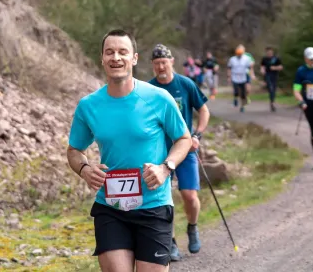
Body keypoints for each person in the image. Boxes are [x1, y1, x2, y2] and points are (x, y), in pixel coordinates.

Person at [66, 29, 193, 272]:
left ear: (134, 58)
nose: (116, 57)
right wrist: (84, 169)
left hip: (154, 205)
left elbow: (183, 139)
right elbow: (74, 150)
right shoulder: (89, 105)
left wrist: (166, 168)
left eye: (123, 52)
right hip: (111, 208)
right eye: (109, 52)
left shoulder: (159, 98)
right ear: (102, 59)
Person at [148, 44, 210, 261]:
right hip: (159, 152)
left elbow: (203, 110)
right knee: (164, 199)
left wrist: (197, 135)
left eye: (163, 62)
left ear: (172, 61)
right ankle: (170, 242)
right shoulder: (149, 89)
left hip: (185, 148)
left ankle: (192, 227)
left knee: (189, 195)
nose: (160, 67)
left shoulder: (185, 84)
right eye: (156, 64)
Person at [227, 45, 254, 113]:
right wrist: (229, 77)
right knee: (236, 91)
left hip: (243, 78)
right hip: (235, 77)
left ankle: (242, 106)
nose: (239, 55)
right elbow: (229, 68)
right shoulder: (232, 59)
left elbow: (250, 67)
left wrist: (251, 75)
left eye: (240, 54)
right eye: (238, 54)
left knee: (243, 94)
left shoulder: (246, 59)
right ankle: (235, 99)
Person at [260, 47, 283, 112]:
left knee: (273, 89)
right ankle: (272, 103)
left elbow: (281, 67)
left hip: (275, 75)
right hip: (267, 75)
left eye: (270, 52)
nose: (269, 53)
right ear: (266, 52)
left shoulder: (276, 59)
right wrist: (262, 71)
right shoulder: (264, 59)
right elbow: (262, 67)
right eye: (268, 52)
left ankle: (272, 102)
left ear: (272, 52)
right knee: (270, 88)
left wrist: (274, 68)